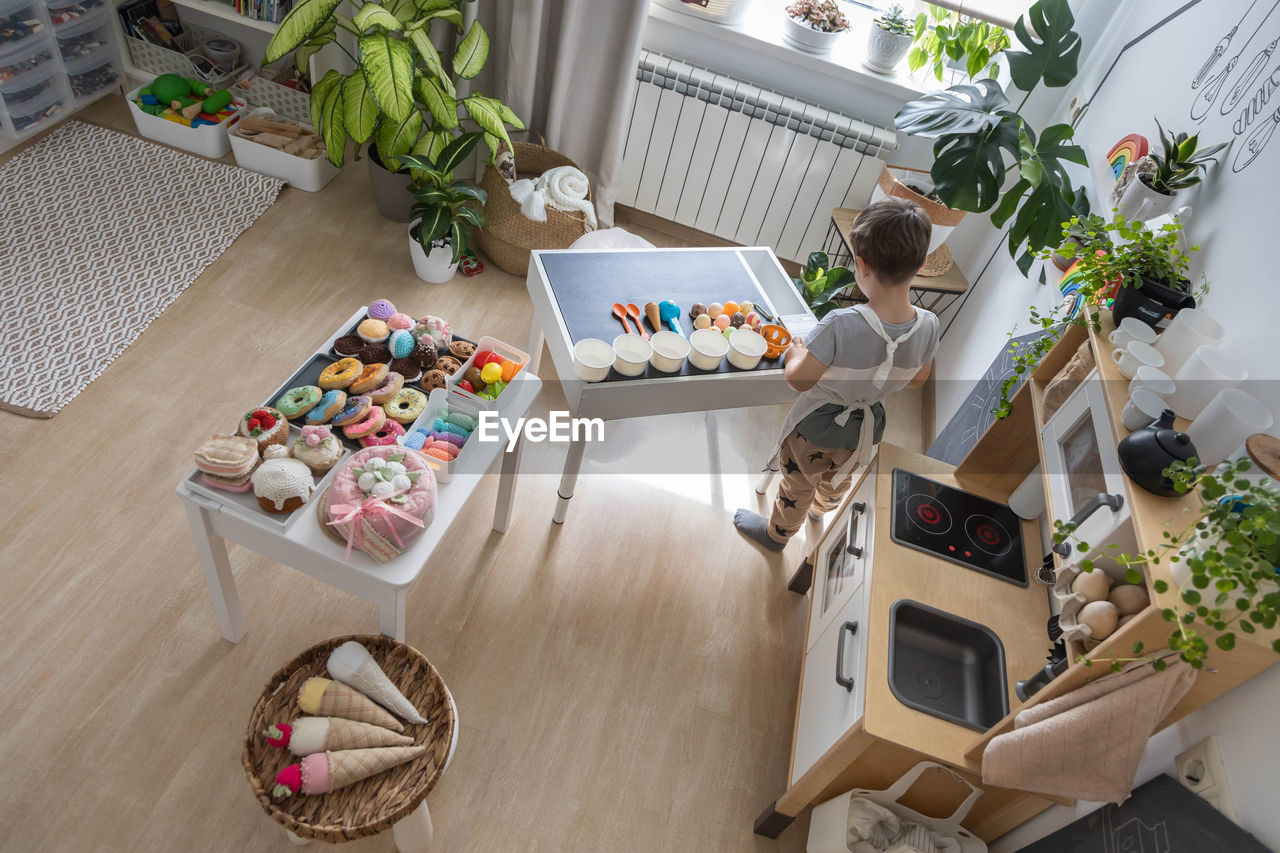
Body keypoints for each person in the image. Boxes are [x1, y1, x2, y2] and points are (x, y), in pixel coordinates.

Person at [734, 197, 940, 553]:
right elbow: (919, 379)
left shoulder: (841, 323)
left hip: (814, 429)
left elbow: (799, 379)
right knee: (838, 479)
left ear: (861, 265)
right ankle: (820, 512)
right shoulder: (929, 325)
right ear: (921, 265)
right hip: (867, 427)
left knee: (797, 482)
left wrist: (795, 351)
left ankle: (777, 536)